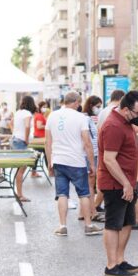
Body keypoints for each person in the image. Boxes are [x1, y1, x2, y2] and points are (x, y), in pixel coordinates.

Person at [98, 90, 138, 276]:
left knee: (127, 223)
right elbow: (109, 159)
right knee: (113, 224)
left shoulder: (125, 122)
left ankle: (120, 260)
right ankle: (111, 266)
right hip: (115, 184)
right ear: (126, 110)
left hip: (127, 182)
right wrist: (126, 184)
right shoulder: (113, 126)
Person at [45, 91, 104, 237]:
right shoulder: (80, 117)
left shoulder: (52, 116)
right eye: (79, 103)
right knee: (84, 194)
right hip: (77, 161)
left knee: (62, 194)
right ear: (76, 102)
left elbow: (47, 142)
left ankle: (62, 226)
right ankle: (88, 225)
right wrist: (92, 164)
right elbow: (87, 142)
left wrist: (49, 162)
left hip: (58, 160)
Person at [94, 89, 126, 212]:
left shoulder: (103, 111)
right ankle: (96, 206)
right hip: (113, 149)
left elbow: (99, 129)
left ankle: (96, 206)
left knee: (104, 177)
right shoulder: (116, 111)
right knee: (110, 178)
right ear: (121, 99)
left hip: (103, 148)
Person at [80, 96, 104, 221]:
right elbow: (88, 140)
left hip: (90, 153)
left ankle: (82, 213)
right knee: (90, 184)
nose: (99, 109)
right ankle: (92, 212)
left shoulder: (87, 118)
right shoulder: (86, 118)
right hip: (89, 154)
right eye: (98, 106)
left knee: (87, 184)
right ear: (91, 105)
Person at [12, 95, 37, 200]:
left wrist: (16, 133)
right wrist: (26, 139)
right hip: (21, 141)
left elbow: (11, 123)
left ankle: (19, 193)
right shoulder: (27, 113)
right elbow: (27, 126)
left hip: (16, 140)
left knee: (20, 168)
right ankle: (20, 195)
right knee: (21, 169)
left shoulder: (18, 112)